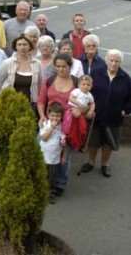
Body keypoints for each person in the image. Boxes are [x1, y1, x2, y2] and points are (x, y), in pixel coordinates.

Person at [80, 49, 131, 178]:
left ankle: (105, 164)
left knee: (108, 143)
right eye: (111, 60)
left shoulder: (125, 78)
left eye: (117, 61)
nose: (113, 63)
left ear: (120, 63)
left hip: (114, 117)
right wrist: (87, 107)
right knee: (93, 142)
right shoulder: (96, 74)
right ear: (106, 61)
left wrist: (125, 109)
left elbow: (129, 99)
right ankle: (91, 162)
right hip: (96, 115)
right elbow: (87, 91)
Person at [37, 53, 81, 197]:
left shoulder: (76, 83)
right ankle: (43, 181)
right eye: (58, 66)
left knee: (64, 156)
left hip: (67, 126)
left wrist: (79, 109)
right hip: (50, 123)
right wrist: (42, 115)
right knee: (44, 152)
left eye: (64, 66)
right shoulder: (49, 81)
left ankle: (59, 184)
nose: (61, 69)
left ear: (70, 66)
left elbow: (86, 104)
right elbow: (41, 101)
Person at [0, 35, 41, 108]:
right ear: (15, 47)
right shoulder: (7, 63)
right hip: (10, 104)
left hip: (30, 103)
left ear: (29, 46)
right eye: (19, 45)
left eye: (25, 44)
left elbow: (39, 83)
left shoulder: (37, 63)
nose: (22, 47)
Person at [39, 102, 65, 204]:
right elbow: (44, 138)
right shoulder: (45, 124)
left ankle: (50, 194)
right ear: (48, 115)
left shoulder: (62, 127)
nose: (55, 118)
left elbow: (62, 143)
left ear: (61, 116)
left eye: (58, 116)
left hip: (54, 158)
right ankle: (40, 193)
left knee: (52, 177)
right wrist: (52, 127)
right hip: (43, 157)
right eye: (53, 115)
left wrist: (62, 144)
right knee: (42, 175)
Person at [63, 75, 95, 151]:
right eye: (83, 84)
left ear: (91, 86)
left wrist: (91, 111)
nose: (86, 86)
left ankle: (78, 141)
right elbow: (70, 98)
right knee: (71, 125)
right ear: (79, 85)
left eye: (88, 85)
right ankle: (68, 136)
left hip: (81, 114)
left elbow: (92, 103)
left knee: (82, 127)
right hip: (72, 109)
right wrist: (78, 103)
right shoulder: (77, 91)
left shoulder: (89, 95)